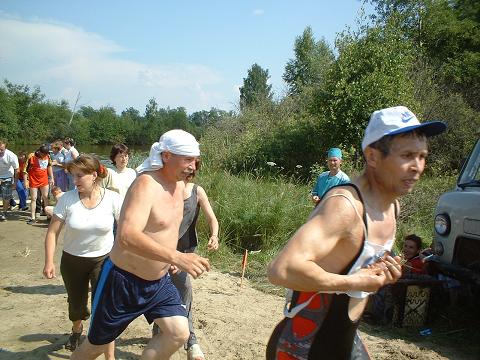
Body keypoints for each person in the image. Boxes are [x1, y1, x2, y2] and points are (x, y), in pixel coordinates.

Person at [266, 106, 446, 359]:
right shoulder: (344, 206)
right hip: (304, 347)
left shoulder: (392, 206)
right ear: (372, 156)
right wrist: (355, 282)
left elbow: (355, 266)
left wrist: (383, 272)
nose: (417, 166)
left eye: (422, 156)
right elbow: (281, 269)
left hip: (346, 343)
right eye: (406, 155)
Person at [71, 129, 211, 360]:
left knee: (179, 333)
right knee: (95, 347)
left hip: (158, 283)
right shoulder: (146, 185)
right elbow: (127, 235)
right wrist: (177, 257)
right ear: (166, 156)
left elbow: (163, 230)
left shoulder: (178, 186)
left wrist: (170, 257)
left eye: (195, 160)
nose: (193, 166)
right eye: (187, 159)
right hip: (123, 282)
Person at [43, 155, 121, 359]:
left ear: (94, 175)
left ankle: (109, 356)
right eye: (72, 176)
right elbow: (52, 232)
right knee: (76, 304)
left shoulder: (112, 199)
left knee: (104, 307)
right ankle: (77, 329)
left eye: (79, 176)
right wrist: (49, 261)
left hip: (103, 261)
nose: (74, 181)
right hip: (72, 261)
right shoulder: (67, 199)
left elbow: (128, 229)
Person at [152, 160, 219, 360]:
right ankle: (165, 335)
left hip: (186, 252)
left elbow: (212, 218)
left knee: (183, 292)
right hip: (162, 252)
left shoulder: (197, 191)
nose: (188, 171)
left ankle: (190, 342)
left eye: (192, 167)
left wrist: (214, 235)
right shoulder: (164, 190)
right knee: (161, 291)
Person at [25, 144, 54, 224]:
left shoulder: (48, 156)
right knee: (34, 198)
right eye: (44, 154)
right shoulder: (31, 156)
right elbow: (25, 170)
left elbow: (49, 166)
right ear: (40, 152)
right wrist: (25, 181)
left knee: (45, 197)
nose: (45, 155)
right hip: (33, 180)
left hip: (44, 180)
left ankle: (48, 216)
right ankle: (33, 217)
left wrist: (51, 177)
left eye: (46, 154)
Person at [0, 139, 19, 221]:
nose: (0, 151)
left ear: (5, 148)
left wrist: (15, 182)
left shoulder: (11, 155)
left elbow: (17, 170)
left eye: (2, 149)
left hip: (7, 177)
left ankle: (4, 212)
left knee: (6, 197)